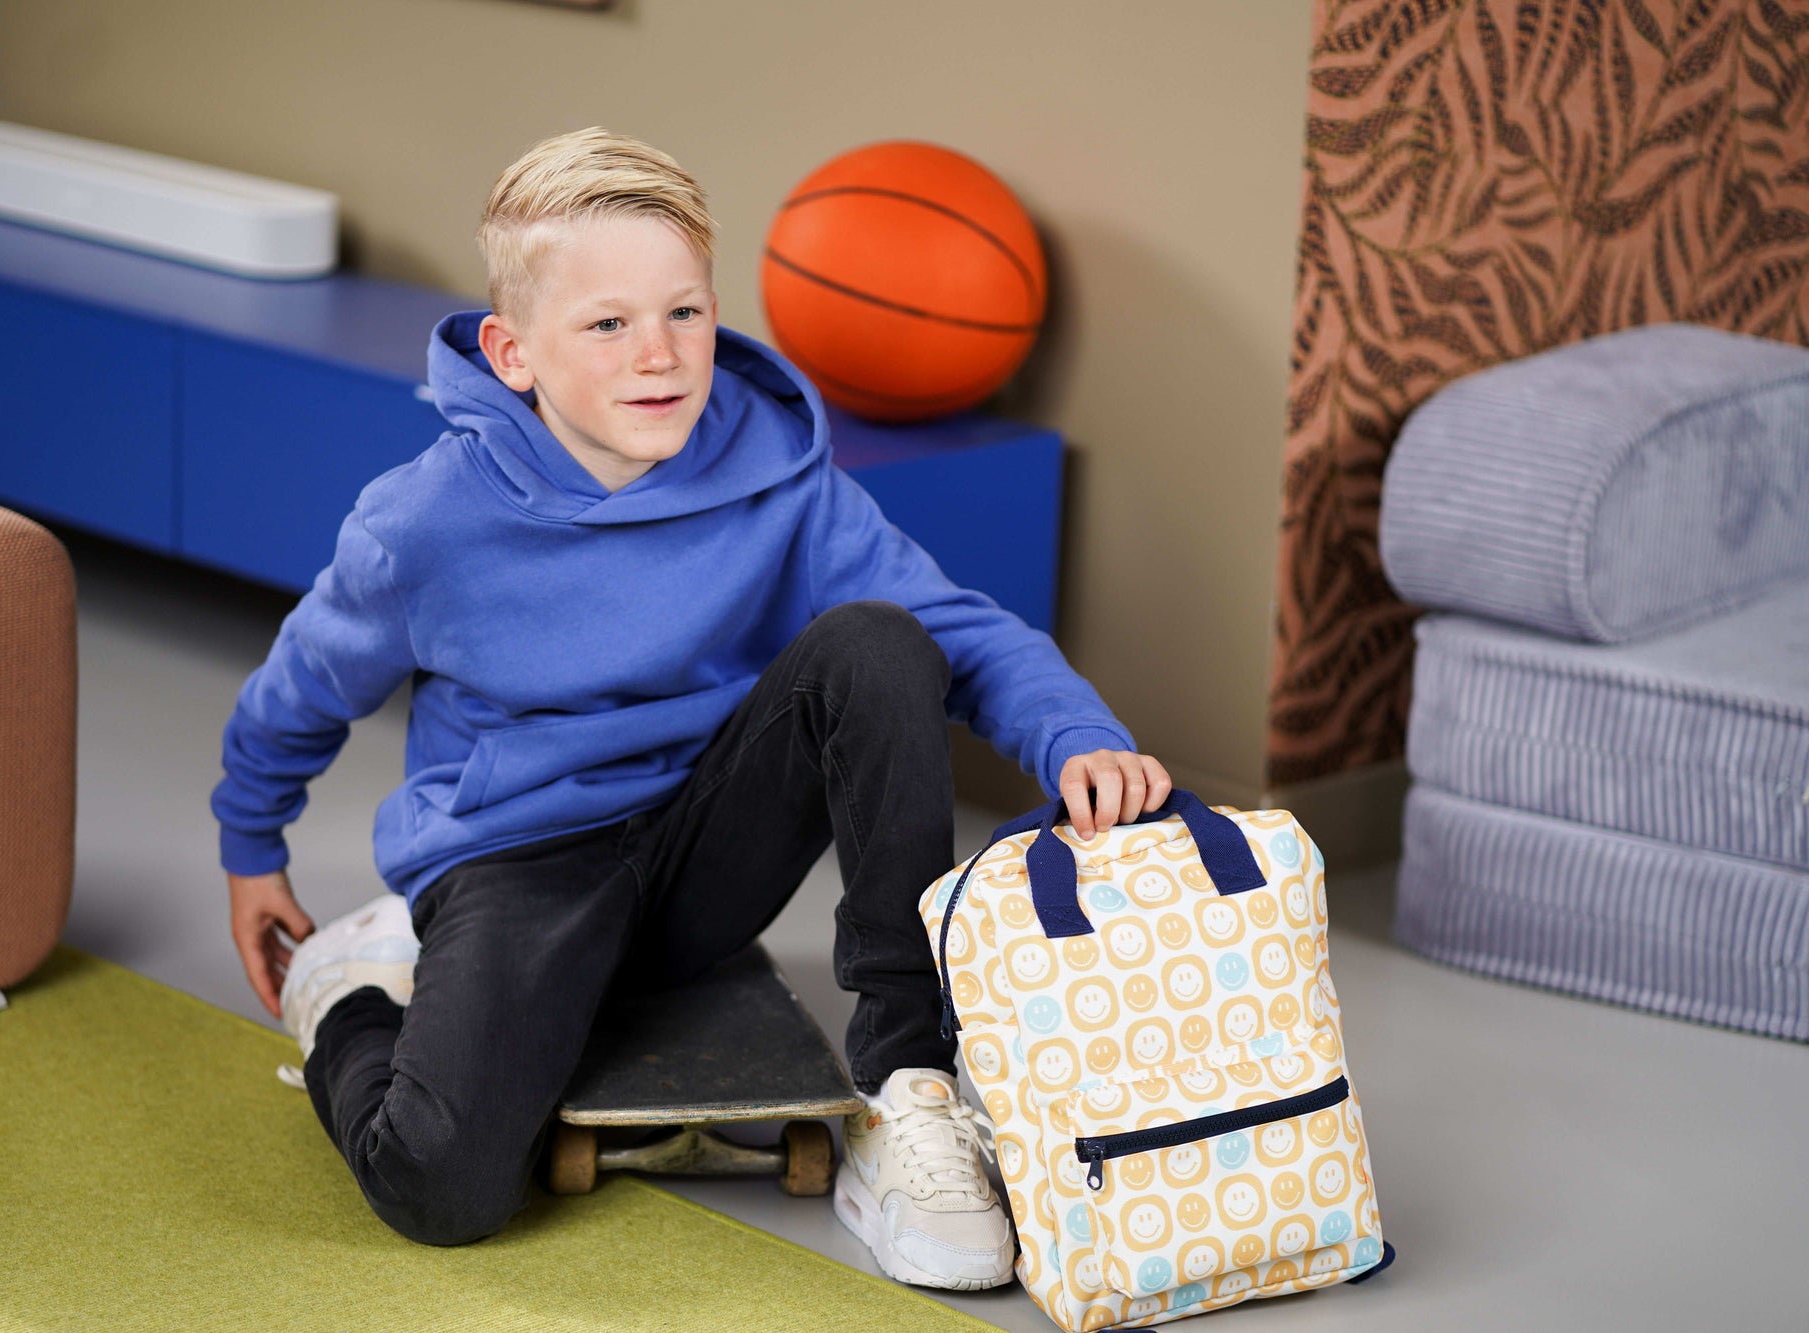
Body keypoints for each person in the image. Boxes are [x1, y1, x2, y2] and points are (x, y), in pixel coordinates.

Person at [212, 126, 1170, 1291]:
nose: (657, 356)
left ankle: (904, 1089)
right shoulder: (422, 524)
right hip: (520, 860)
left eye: (684, 313)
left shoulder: (775, 468)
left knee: (877, 643)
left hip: (706, 843)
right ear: (514, 353)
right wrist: (250, 842)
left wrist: (1076, 732)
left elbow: (953, 623)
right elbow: (303, 685)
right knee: (438, 1188)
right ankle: (349, 997)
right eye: (606, 324)